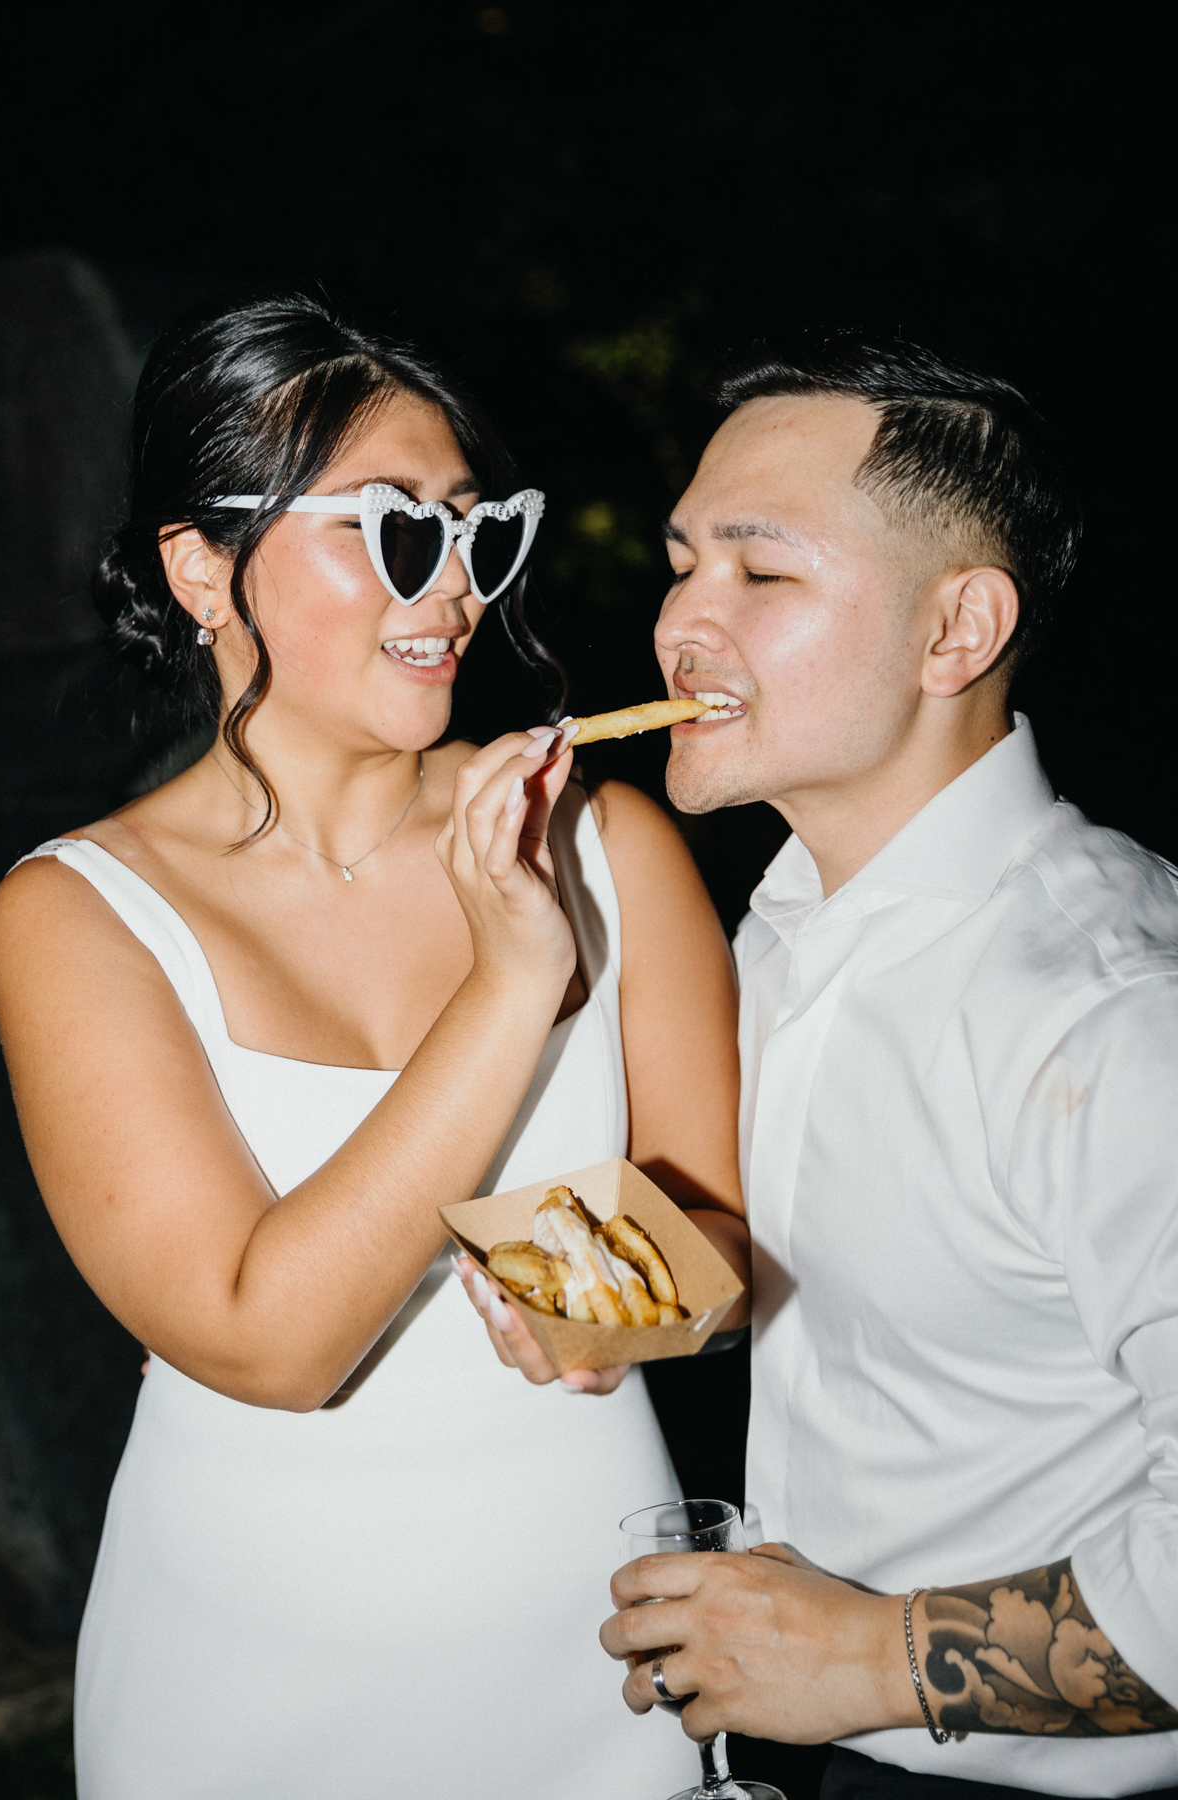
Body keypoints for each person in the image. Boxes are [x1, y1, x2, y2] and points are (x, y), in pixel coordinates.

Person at [0, 290, 748, 1800]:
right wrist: (508, 983)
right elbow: (270, 1338)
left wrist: (622, 1302)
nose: (454, 585)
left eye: (478, 529)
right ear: (202, 569)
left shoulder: (610, 843)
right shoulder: (76, 917)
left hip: (591, 1642)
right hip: (253, 1673)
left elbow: (727, 1247)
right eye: (395, 529)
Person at [586, 334, 1178, 1797]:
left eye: (760, 572)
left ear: (954, 630)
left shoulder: (1112, 1014)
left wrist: (862, 1660)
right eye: (682, 562)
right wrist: (598, 1286)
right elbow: (857, 1290)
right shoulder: (786, 921)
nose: (680, 621)